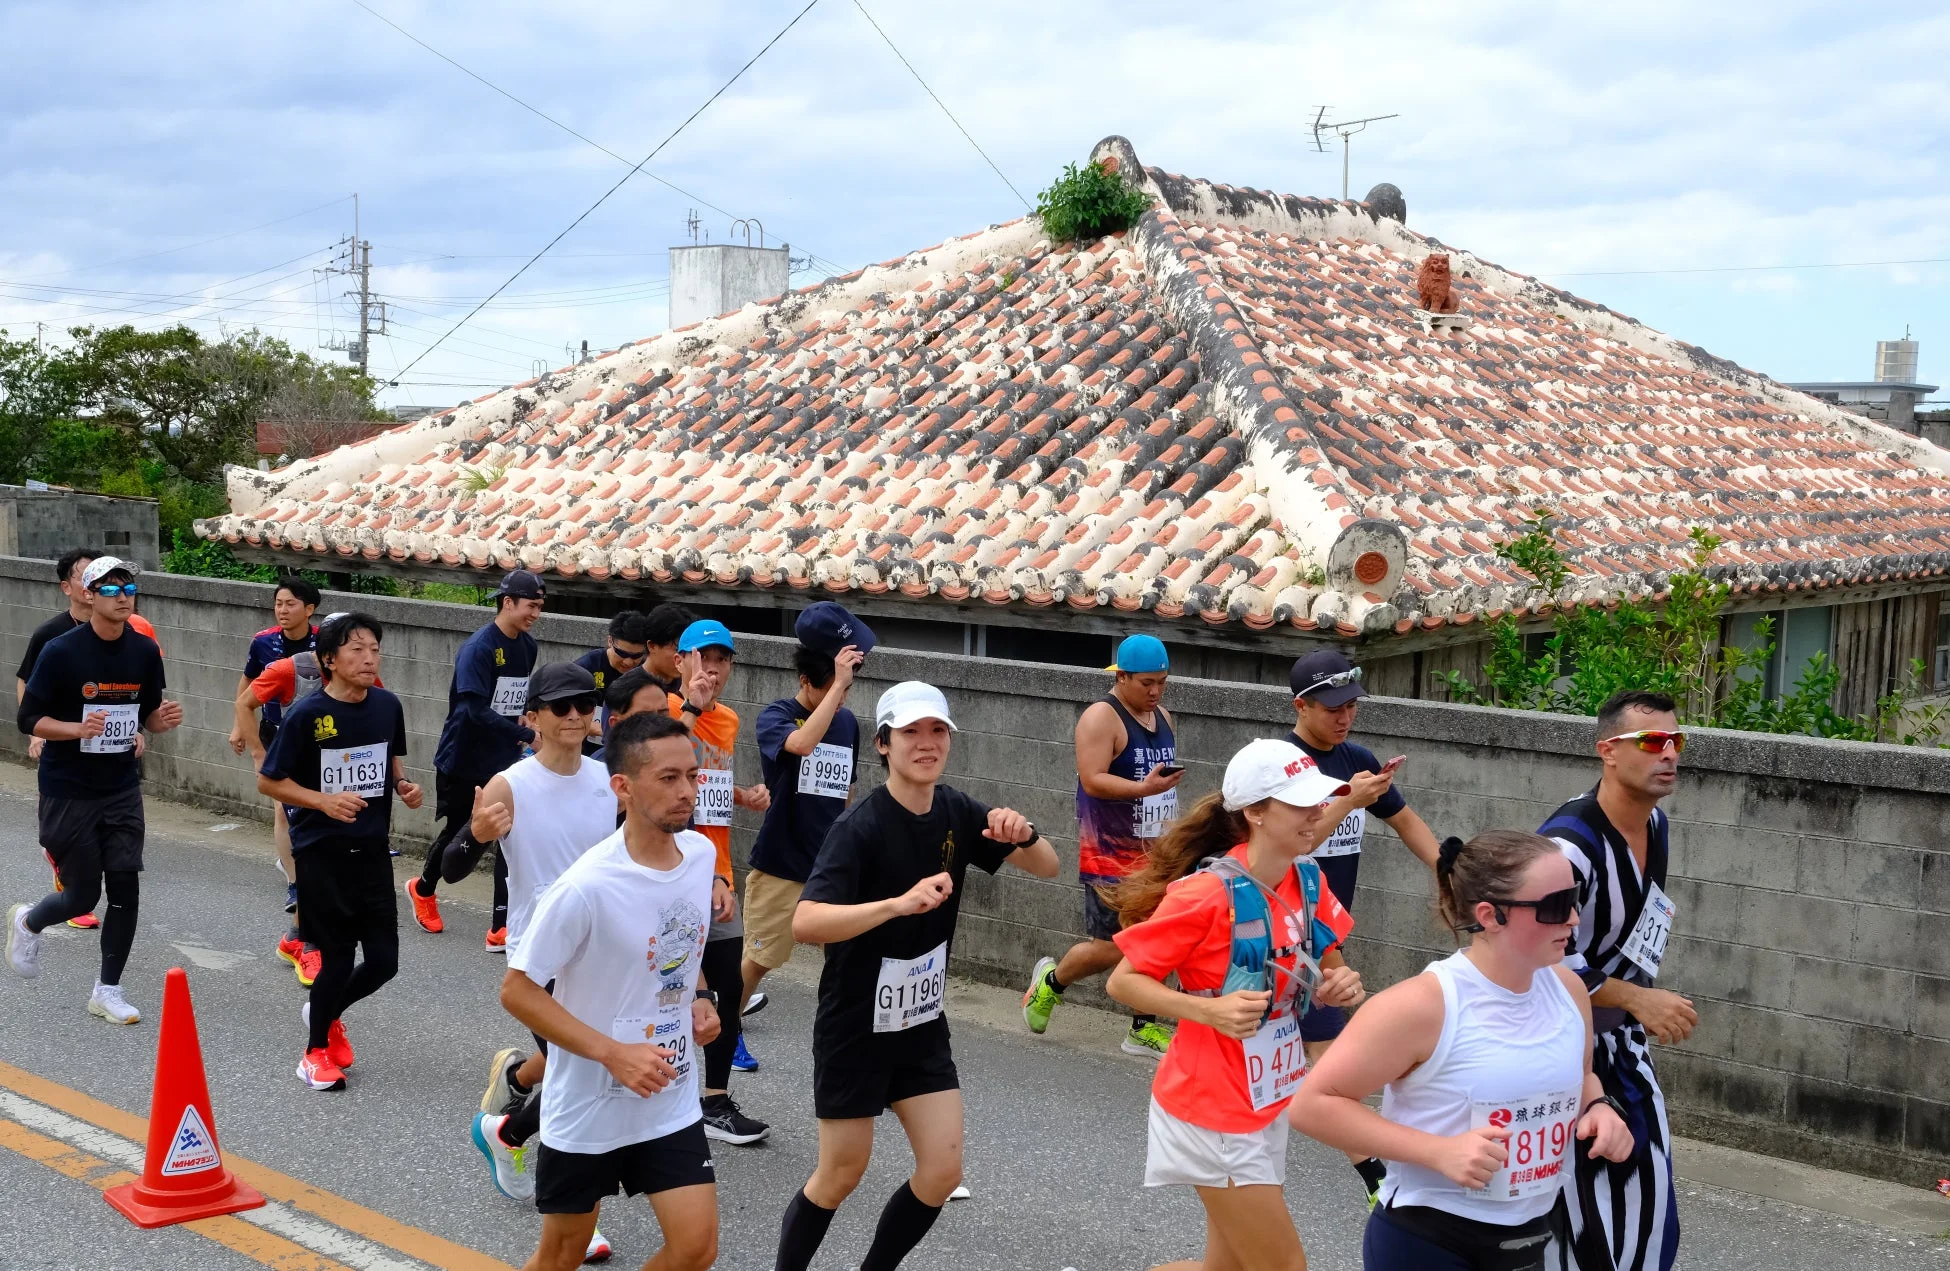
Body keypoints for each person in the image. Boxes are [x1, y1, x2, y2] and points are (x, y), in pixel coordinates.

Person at [775, 680, 1058, 1271]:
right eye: (910, 732)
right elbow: (804, 922)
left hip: (920, 1022)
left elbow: (1049, 866)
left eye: (937, 732)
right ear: (882, 743)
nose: (926, 744)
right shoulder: (860, 827)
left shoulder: (955, 808)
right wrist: (894, 906)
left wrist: (1021, 832)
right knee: (840, 1174)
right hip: (855, 1025)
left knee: (942, 1169)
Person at [1289, 830, 1635, 1270]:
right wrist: (1438, 1151)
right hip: (1431, 1237)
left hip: (1532, 1232)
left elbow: (1582, 1075)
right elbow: (1313, 1105)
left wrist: (1600, 1107)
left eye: (1576, 898)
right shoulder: (1422, 1005)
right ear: (1491, 916)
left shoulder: (1569, 991)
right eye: (1554, 905)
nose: (1572, 918)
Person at [1103, 739, 1366, 1271]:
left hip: (1268, 1098)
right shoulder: (1204, 894)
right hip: (1210, 1109)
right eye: (1300, 803)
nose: (1317, 813)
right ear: (1255, 813)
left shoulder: (1308, 879)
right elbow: (1122, 982)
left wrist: (1341, 986)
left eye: (1320, 800)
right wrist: (1208, 1011)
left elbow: (1332, 965)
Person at [502, 710, 723, 1271]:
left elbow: (683, 946)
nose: (687, 792)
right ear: (622, 787)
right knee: (562, 1254)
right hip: (589, 1101)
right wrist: (613, 1053)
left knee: (695, 1248)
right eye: (668, 778)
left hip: (667, 1095)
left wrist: (701, 998)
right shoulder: (586, 886)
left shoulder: (699, 856)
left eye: (693, 776)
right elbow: (518, 991)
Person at [455, 664, 622, 1258]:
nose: (575, 715)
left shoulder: (609, 780)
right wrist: (475, 834)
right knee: (584, 1074)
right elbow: (447, 865)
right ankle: (577, 1216)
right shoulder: (511, 784)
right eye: (560, 707)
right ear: (533, 719)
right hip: (540, 955)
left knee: (572, 1066)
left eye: (584, 704)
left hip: (601, 950)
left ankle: (507, 1122)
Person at [1281, 648, 1445, 1201]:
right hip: (1282, 927)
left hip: (1325, 930)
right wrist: (1349, 801)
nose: (1344, 716)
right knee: (1327, 1054)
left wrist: (1449, 871)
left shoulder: (1358, 758)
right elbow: (1289, 845)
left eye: (1350, 705)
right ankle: (1377, 1177)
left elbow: (1405, 821)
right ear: (1300, 705)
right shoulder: (1282, 765)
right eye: (1332, 707)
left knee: (1301, 1051)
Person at [1540, 691, 1694, 1271]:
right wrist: (1635, 996)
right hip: (1564, 1045)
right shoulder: (1567, 848)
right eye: (1652, 742)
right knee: (1580, 1211)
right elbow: (1539, 957)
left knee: (1647, 1200)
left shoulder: (1656, 823)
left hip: (1624, 1043)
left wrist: (1636, 1004)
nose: (1669, 754)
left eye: (1676, 741)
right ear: (1608, 750)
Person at [9, 557, 184, 1023]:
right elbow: (29, 719)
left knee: (126, 888)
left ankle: (107, 989)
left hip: (121, 787)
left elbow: (146, 714)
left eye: (128, 587)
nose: (122, 596)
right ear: (88, 595)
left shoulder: (144, 652)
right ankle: (29, 921)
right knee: (82, 897)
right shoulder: (62, 651)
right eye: (110, 589)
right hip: (69, 788)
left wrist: (156, 723)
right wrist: (76, 729)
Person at [256, 613, 420, 1090]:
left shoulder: (388, 706)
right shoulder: (307, 715)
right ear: (328, 659)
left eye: (374, 649)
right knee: (338, 959)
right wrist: (322, 801)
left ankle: (325, 1014)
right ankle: (313, 1053)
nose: (369, 658)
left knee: (385, 962)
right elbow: (269, 780)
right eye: (356, 649)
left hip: (371, 852)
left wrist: (404, 785)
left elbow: (390, 758)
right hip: (321, 853)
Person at [1023, 632, 1184, 1057]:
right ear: (1122, 676)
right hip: (1110, 855)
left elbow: (1157, 783)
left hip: (1158, 853)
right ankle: (1051, 983)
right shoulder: (1101, 716)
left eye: (1162, 682)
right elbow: (1092, 778)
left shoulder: (1163, 716)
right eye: (1146, 683)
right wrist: (1144, 790)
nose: (1155, 691)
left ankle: (1142, 1027)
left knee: (1158, 936)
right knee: (1110, 947)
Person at [741, 603, 874, 1042]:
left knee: (852, 957)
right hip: (782, 863)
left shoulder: (847, 723)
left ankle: (854, 1039)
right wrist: (836, 687)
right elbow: (800, 744)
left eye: (847, 690)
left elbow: (847, 790)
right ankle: (727, 1030)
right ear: (805, 682)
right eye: (836, 688)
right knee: (759, 960)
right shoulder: (775, 716)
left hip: (831, 865)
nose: (844, 698)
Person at [666, 620, 772, 1145]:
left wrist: (742, 798)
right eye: (702, 657)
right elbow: (666, 772)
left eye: (723, 659)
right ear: (681, 661)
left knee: (727, 987)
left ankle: (714, 1100)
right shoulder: (662, 711)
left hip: (716, 870)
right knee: (666, 984)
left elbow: (705, 793)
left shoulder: (728, 720)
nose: (712, 668)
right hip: (666, 871)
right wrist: (689, 707)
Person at [409, 569, 545, 946]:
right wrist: (525, 733)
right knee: (459, 831)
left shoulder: (527, 647)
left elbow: (515, 702)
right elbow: (473, 710)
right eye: (530, 606)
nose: (535, 614)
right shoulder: (479, 648)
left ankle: (502, 924)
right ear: (507, 602)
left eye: (540, 607)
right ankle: (423, 889)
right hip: (464, 757)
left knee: (507, 830)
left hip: (504, 757)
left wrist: (526, 723)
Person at [14, 547, 120, 931]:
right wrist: (37, 733)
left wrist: (139, 730)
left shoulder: (125, 632)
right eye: (86, 575)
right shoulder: (51, 635)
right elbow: (26, 682)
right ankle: (69, 878)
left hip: (108, 754)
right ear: (69, 587)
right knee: (62, 819)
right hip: (62, 743)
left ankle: (81, 880)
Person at [228, 576, 322, 963]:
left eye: (290, 604)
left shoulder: (327, 643)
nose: (282, 610)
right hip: (275, 733)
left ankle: (306, 883)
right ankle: (295, 882)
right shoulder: (264, 642)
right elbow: (248, 684)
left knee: (309, 812)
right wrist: (240, 729)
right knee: (283, 808)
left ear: (309, 610)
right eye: (278, 603)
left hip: (318, 740)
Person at [573, 610, 651, 754]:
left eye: (636, 656)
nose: (628, 662)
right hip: (586, 753)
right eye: (622, 653)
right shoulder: (585, 668)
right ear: (610, 641)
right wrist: (610, 730)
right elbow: (567, 716)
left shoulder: (647, 672)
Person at [640, 603, 697, 698]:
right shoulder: (627, 690)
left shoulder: (692, 685)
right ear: (652, 646)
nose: (683, 658)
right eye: (678, 650)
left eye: (689, 651)